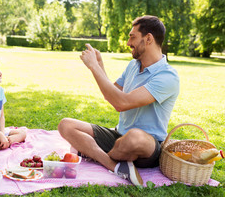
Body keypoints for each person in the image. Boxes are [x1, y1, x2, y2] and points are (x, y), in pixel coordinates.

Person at [58, 15, 180, 186]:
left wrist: (94, 67)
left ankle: (91, 151)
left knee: (134, 137)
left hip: (147, 145)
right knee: (66, 125)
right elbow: (113, 93)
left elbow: (121, 103)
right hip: (117, 135)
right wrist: (100, 66)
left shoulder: (167, 76)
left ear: (149, 38)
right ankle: (114, 165)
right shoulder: (133, 66)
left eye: (133, 37)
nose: (129, 43)